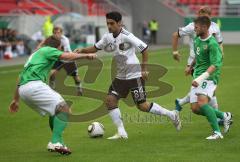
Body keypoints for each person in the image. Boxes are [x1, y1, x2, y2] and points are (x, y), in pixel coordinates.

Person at [75, 11, 181, 140]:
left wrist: (144, 69)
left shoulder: (128, 36)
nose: (109, 26)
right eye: (107, 23)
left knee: (142, 106)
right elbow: (95, 48)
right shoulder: (107, 37)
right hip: (120, 76)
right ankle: (121, 132)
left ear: (119, 23)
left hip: (134, 75)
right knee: (110, 100)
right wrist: (82, 51)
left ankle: (171, 115)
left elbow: (145, 49)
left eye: (112, 23)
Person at [9, 35, 96, 155]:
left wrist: (15, 99)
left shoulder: (34, 55)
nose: (59, 50)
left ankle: (58, 142)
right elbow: (66, 56)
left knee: (55, 111)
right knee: (64, 108)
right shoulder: (48, 50)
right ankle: (55, 142)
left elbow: (20, 77)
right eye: (59, 48)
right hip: (34, 86)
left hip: (24, 90)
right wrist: (86, 55)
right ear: (57, 47)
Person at [172, 6, 224, 117]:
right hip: (197, 63)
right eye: (202, 15)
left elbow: (219, 43)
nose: (204, 19)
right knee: (204, 90)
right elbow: (176, 34)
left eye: (207, 17)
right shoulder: (192, 27)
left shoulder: (215, 27)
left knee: (206, 90)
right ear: (199, 14)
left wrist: (221, 56)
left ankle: (180, 102)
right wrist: (175, 52)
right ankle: (220, 117)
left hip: (211, 62)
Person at [186, 16, 232, 139]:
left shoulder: (212, 44)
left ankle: (217, 133)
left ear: (204, 27)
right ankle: (224, 115)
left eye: (196, 27)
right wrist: (191, 66)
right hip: (197, 75)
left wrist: (200, 79)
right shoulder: (197, 40)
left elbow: (215, 65)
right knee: (195, 108)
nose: (194, 30)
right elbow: (198, 55)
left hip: (209, 77)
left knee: (202, 103)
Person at [49, 26, 83, 95]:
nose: (57, 34)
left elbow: (63, 52)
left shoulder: (65, 40)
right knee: (52, 74)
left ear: (61, 33)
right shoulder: (51, 40)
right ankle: (52, 90)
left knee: (75, 77)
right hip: (59, 59)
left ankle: (79, 88)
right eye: (55, 33)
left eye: (58, 32)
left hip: (68, 59)